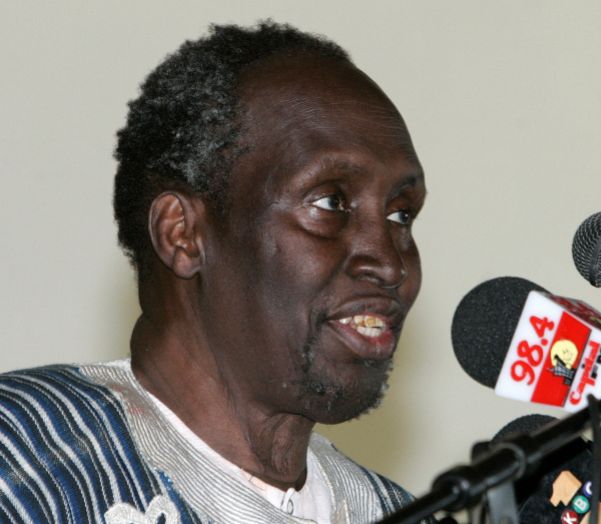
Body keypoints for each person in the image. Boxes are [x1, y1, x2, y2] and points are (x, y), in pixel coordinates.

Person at [0, 21, 426, 523]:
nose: (390, 261)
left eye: (401, 214)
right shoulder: (26, 465)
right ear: (182, 233)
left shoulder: (397, 512)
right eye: (330, 202)